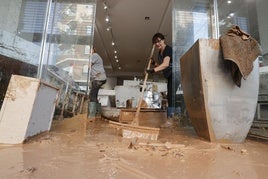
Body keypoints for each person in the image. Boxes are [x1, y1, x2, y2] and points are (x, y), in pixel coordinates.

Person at [147, 33, 180, 127]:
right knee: (171, 96)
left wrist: (152, 70)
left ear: (163, 40)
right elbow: (162, 66)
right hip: (170, 75)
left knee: (171, 96)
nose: (157, 44)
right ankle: (174, 119)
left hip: (175, 74)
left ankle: (172, 120)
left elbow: (165, 64)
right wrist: (154, 63)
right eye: (155, 42)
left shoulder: (167, 49)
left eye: (158, 41)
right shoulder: (160, 53)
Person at [88, 47, 107, 121]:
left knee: (92, 95)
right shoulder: (95, 56)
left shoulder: (94, 55)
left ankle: (91, 116)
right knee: (94, 95)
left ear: (93, 50)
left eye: (90, 50)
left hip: (99, 78)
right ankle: (98, 114)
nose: (89, 51)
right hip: (100, 78)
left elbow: (88, 65)